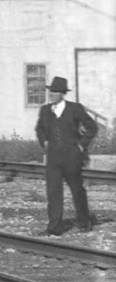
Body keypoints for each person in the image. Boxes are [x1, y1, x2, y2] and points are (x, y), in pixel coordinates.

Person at [35, 75, 99, 235]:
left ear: (62, 93)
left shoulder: (74, 108)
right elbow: (39, 129)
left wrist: (81, 145)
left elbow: (92, 127)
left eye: (55, 92)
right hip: (53, 158)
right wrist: (44, 142)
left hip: (72, 156)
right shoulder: (45, 110)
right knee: (53, 192)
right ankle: (54, 227)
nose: (51, 94)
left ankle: (84, 222)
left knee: (77, 189)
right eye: (51, 91)